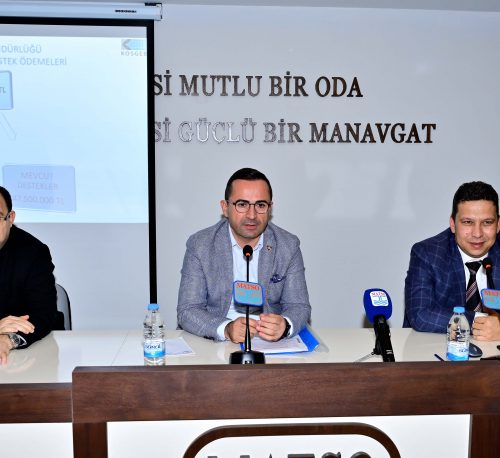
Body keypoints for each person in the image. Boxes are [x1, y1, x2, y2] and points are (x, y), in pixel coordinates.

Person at [177, 168, 311, 343]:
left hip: (269, 343)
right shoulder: (200, 245)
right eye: (242, 204)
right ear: (225, 208)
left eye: (260, 205)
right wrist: (226, 329)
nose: (252, 215)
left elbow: (299, 306)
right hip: (216, 340)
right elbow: (188, 310)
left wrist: (285, 325)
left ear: (270, 208)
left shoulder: (288, 246)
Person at [404, 181, 500, 341]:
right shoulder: (427, 253)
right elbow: (420, 314)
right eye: (468, 222)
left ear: (498, 225)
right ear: (453, 224)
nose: (477, 233)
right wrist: (482, 322)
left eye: (487, 222)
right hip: (434, 349)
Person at [0, 186, 60, 364]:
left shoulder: (33, 253)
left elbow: (43, 313)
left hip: (24, 359)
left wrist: (8, 339)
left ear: (10, 218)